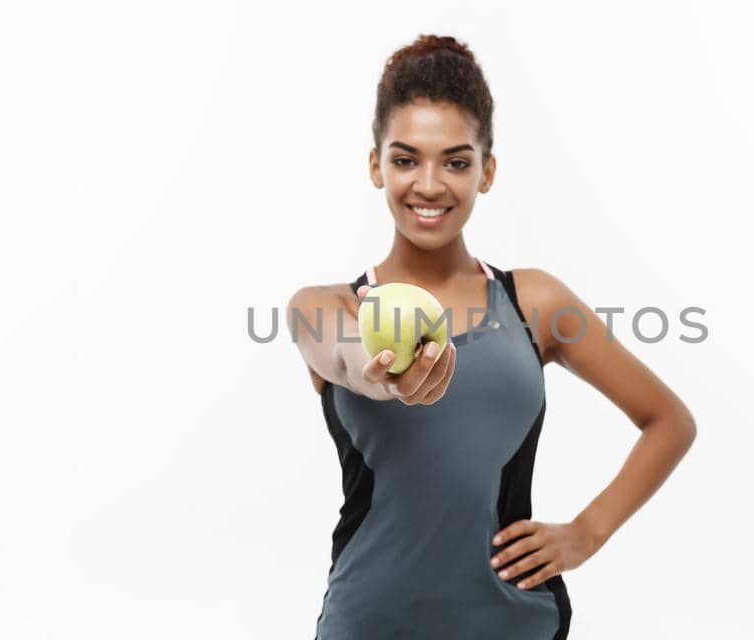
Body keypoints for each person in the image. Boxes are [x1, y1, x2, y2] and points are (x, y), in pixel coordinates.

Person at [287, 34, 697, 639]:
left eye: (456, 161)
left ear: (487, 172)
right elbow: (345, 357)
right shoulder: (327, 307)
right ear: (376, 166)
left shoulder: (536, 302)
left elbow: (668, 421)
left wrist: (585, 534)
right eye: (406, 159)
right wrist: (379, 374)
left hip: (515, 624)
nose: (429, 184)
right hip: (368, 624)